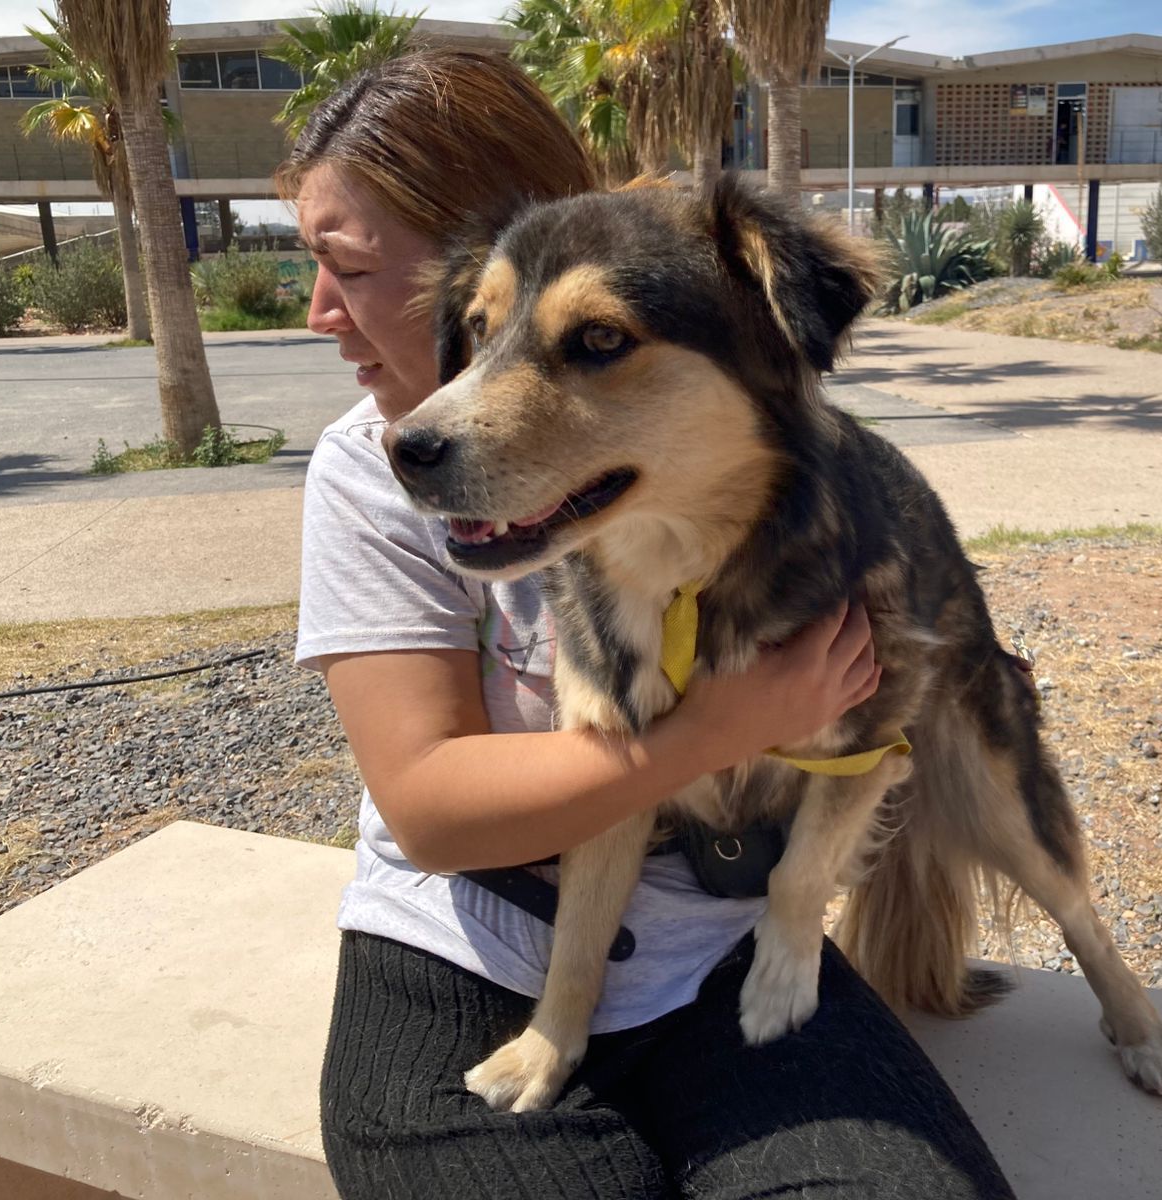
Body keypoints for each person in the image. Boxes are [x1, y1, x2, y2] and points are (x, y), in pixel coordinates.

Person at [281, 47, 1016, 1200]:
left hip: (713, 943)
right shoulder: (370, 472)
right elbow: (427, 805)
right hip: (466, 948)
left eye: (352, 267)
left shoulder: (765, 473)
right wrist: (722, 727)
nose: (319, 311)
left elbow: (875, 696)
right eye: (314, 266)